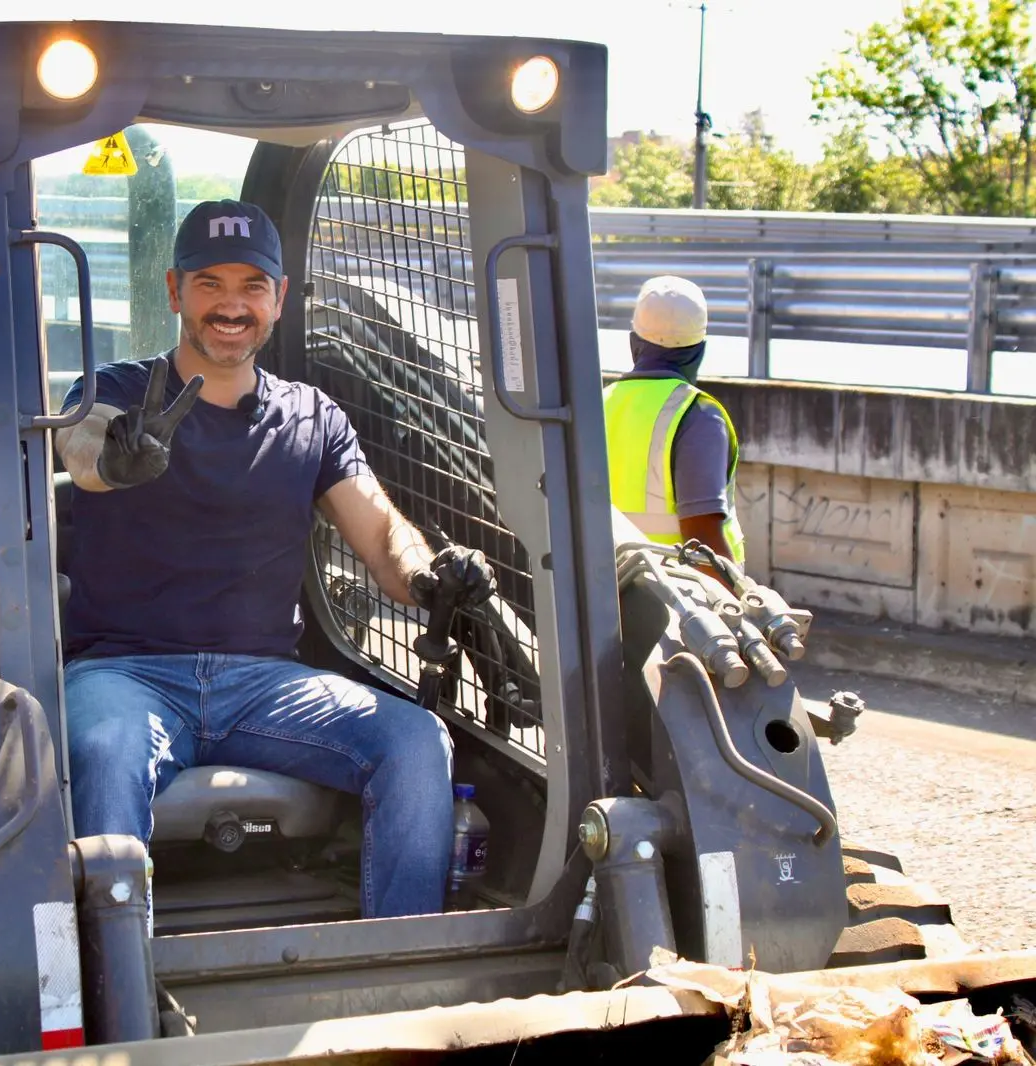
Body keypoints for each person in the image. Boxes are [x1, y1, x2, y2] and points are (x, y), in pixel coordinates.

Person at [52, 199, 496, 919]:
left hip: (262, 685)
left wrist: (428, 573)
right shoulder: (121, 392)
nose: (232, 305)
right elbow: (82, 447)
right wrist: (115, 458)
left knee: (416, 740)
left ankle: (402, 963)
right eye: (210, 284)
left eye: (252, 286)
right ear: (174, 292)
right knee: (105, 751)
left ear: (280, 299)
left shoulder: (314, 418)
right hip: (125, 673)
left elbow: (382, 536)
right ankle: (108, 981)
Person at [603, 274, 746, 569]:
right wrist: (743, 602)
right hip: (681, 599)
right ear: (699, 350)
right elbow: (704, 544)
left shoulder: (599, 404)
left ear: (634, 344)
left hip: (607, 588)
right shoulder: (699, 417)